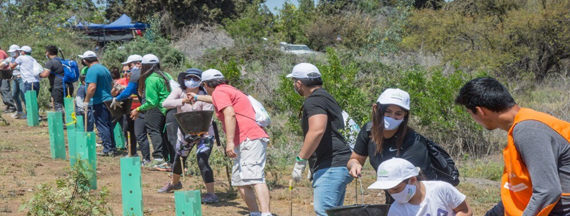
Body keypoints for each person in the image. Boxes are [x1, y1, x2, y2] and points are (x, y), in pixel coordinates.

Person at [455, 77, 570, 216]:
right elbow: (522, 187)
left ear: (480, 111)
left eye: (470, 114)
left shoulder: (528, 131)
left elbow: (548, 191)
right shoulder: (525, 122)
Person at [190, 69, 272, 216]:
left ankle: (266, 213)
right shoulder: (227, 90)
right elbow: (216, 101)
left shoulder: (219, 92)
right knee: (240, 181)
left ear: (206, 84)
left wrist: (229, 143)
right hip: (245, 139)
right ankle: (255, 213)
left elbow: (229, 113)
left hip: (249, 138)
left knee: (255, 177)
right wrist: (197, 97)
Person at [347, 88, 442, 203]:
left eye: (398, 114)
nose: (392, 117)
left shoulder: (414, 142)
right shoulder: (368, 131)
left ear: (405, 115)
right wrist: (354, 165)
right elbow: (355, 159)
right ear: (376, 109)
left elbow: (408, 183)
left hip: (417, 198)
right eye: (387, 111)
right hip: (394, 195)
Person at [287, 63, 352, 216]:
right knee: (332, 212)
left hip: (331, 165)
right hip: (338, 163)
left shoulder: (314, 100)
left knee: (324, 211)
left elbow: (317, 130)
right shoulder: (326, 97)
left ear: (299, 83)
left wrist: (301, 160)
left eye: (294, 82)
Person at [159, 68, 219, 203]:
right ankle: (174, 183)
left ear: (201, 82)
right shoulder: (179, 91)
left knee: (202, 159)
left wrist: (198, 134)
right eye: (189, 78)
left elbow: (207, 116)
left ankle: (211, 193)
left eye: (196, 79)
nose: (191, 81)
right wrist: (182, 101)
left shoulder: (204, 95)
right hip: (185, 131)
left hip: (205, 133)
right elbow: (165, 103)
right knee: (178, 158)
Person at [368, 158, 472, 216]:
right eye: (389, 191)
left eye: (396, 189)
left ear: (412, 180)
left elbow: (466, 211)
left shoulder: (441, 189)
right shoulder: (396, 211)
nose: (393, 194)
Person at [130, 54, 173, 168]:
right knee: (165, 134)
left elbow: (151, 102)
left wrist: (138, 109)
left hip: (157, 108)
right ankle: (168, 158)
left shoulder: (150, 79)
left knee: (153, 131)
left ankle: (158, 158)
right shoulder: (166, 75)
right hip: (169, 109)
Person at [111, 54, 151, 165]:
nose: (127, 72)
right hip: (130, 110)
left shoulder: (138, 75)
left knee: (141, 134)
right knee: (130, 131)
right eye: (125, 71)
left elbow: (131, 93)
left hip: (140, 109)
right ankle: (133, 153)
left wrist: (119, 98)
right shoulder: (139, 76)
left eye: (129, 69)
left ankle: (147, 159)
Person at [77, 51, 117, 156]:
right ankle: (112, 146)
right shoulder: (104, 69)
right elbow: (112, 84)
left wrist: (86, 101)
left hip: (99, 101)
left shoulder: (91, 70)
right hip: (108, 100)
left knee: (102, 125)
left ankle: (108, 149)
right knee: (109, 124)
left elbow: (92, 87)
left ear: (85, 61)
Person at [39, 45, 74, 115]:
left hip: (58, 87)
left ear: (48, 53)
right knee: (69, 106)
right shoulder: (63, 60)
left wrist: (39, 74)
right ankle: (73, 124)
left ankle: (61, 124)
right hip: (69, 86)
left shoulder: (50, 62)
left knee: (58, 106)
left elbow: (45, 75)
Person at [0, 44, 16, 113]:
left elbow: (2, 64)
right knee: (2, 89)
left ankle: (11, 106)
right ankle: (8, 105)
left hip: (4, 73)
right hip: (2, 73)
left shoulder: (0, 52)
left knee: (4, 89)